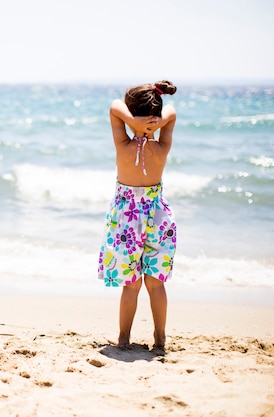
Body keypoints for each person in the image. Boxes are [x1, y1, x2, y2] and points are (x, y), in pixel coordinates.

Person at [97, 80, 177, 351]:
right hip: (158, 218)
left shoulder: (123, 143)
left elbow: (113, 107)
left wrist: (133, 121)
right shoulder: (162, 146)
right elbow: (173, 112)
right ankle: (160, 338)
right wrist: (154, 123)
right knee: (156, 284)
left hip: (126, 221)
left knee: (131, 285)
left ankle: (123, 339)